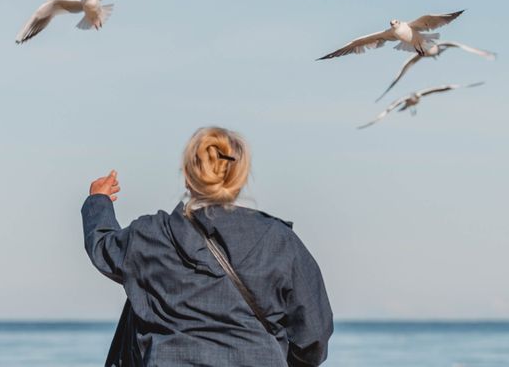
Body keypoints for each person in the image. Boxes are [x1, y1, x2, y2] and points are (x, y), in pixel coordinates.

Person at [82, 126, 333, 366]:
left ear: (188, 175)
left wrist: (98, 201)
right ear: (239, 177)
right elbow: (313, 336)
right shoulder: (279, 242)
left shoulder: (150, 236)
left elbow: (103, 247)